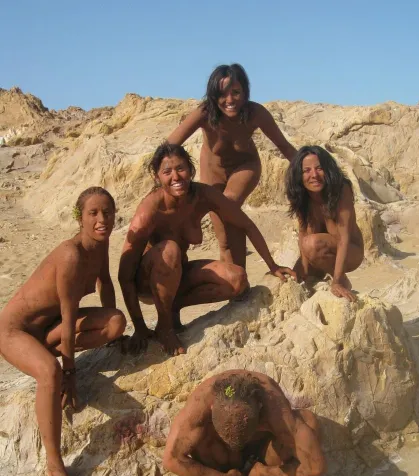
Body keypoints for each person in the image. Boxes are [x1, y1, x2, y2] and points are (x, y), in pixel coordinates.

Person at [0, 187, 126, 476]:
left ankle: (48, 354)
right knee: (50, 372)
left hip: (48, 329)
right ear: (79, 218)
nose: (102, 219)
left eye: (107, 212)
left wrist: (115, 339)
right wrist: (70, 373)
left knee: (115, 323)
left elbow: (105, 281)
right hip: (14, 331)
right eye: (93, 213)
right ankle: (55, 468)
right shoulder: (71, 255)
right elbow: (69, 320)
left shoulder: (101, 242)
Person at [119, 143, 296, 357]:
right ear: (157, 177)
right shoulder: (151, 208)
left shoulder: (202, 195)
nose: (175, 176)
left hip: (178, 274)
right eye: (167, 172)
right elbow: (124, 275)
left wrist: (272, 265)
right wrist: (139, 326)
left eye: (181, 168)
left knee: (237, 280)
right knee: (170, 249)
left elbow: (246, 224)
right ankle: (165, 327)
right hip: (147, 282)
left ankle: (172, 307)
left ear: (191, 169)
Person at [167, 63, 297, 269]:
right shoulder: (204, 113)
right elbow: (170, 146)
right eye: (222, 94)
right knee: (223, 233)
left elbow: (285, 146)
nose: (230, 100)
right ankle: (234, 278)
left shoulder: (255, 113)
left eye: (236, 92)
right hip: (212, 171)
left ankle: (240, 276)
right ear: (213, 95)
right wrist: (167, 178)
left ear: (245, 92)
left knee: (228, 203)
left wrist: (310, 169)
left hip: (245, 166)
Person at [163, 370, 325, 476]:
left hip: (263, 452)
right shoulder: (200, 403)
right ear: (212, 408)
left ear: (260, 409)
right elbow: (171, 459)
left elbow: (315, 466)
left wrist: (268, 473)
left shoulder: (274, 406)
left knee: (308, 421)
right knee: (192, 437)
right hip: (224, 457)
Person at [286, 145, 364, 302]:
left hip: (350, 251)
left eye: (319, 168)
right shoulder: (301, 194)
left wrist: (337, 280)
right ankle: (321, 273)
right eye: (307, 171)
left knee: (311, 244)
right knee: (294, 278)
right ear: (299, 175)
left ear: (328, 169)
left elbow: (343, 238)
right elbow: (303, 232)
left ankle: (341, 279)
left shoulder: (341, 190)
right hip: (319, 251)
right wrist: (304, 269)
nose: (314, 175)